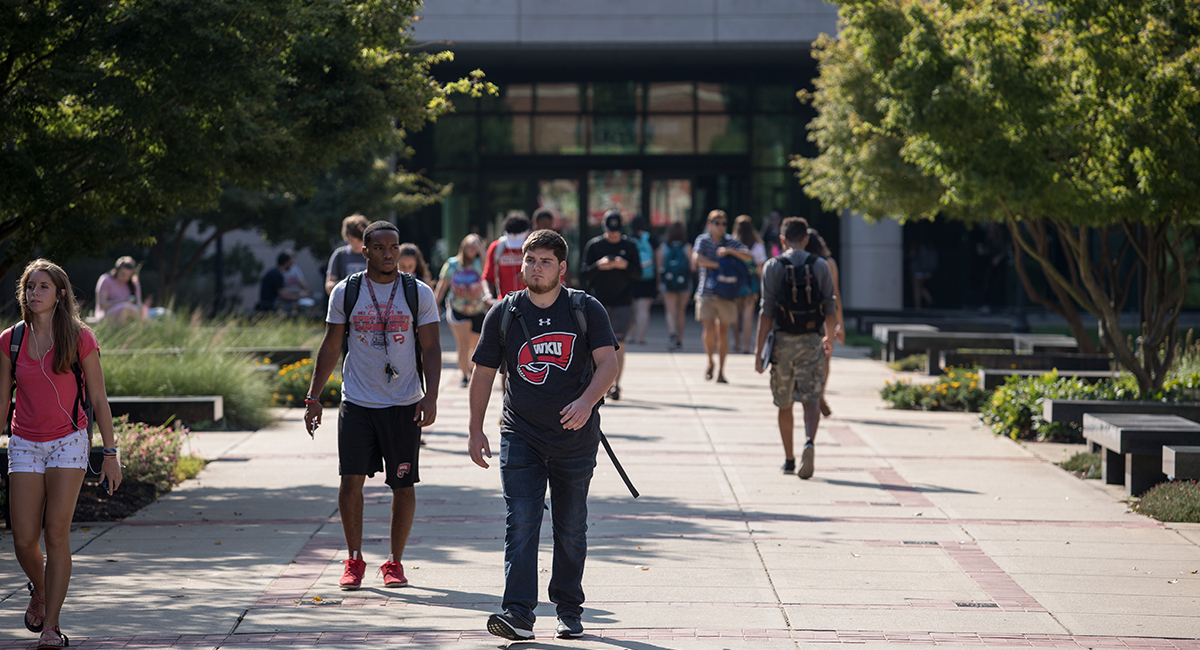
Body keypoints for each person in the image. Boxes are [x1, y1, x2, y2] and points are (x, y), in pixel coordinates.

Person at [467, 229, 619, 641]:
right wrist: (475, 429)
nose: (536, 268)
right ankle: (518, 613)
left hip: (575, 439)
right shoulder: (505, 311)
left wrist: (587, 402)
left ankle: (568, 608)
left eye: (546, 261)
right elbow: (483, 373)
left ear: (562, 268)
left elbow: (608, 363)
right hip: (521, 435)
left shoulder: (585, 308)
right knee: (521, 523)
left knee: (570, 527)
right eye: (531, 260)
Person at [303, 220, 442, 591]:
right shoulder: (347, 291)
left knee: (403, 483)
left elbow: (431, 347)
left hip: (404, 402)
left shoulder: (418, 292)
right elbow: (331, 345)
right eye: (379, 248)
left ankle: (394, 561)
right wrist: (314, 397)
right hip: (358, 401)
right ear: (364, 251)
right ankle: (354, 559)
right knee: (351, 481)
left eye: (393, 247)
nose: (388, 254)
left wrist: (431, 395)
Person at [1, 259, 123, 649]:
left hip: (68, 441)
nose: (34, 293)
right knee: (23, 539)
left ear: (60, 294)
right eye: (29, 286)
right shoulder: (10, 340)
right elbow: (2, 401)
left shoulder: (79, 337)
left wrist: (110, 453)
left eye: (43, 287)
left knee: (55, 532)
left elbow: (99, 399)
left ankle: (51, 626)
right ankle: (41, 589)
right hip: (24, 442)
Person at [754, 217, 838, 480]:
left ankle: (789, 460)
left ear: (782, 240)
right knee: (811, 398)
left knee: (784, 402)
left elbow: (766, 312)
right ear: (806, 239)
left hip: (782, 342)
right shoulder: (820, 265)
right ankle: (809, 442)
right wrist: (829, 340)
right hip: (811, 340)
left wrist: (758, 352)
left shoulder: (773, 266)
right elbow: (830, 308)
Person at [580, 210, 640, 400]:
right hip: (598, 303)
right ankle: (601, 385)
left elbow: (639, 273)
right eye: (610, 230)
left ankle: (615, 385)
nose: (613, 233)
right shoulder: (595, 245)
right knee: (596, 347)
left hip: (623, 303)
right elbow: (583, 273)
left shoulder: (629, 245)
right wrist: (599, 266)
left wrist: (625, 265)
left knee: (619, 345)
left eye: (616, 230)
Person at [693, 209, 752, 383]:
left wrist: (730, 251)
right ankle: (710, 361)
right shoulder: (703, 240)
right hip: (706, 292)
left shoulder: (730, 241)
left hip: (727, 293)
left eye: (724, 224)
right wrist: (718, 265)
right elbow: (697, 258)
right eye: (717, 223)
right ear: (709, 224)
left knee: (723, 332)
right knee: (709, 329)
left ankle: (721, 370)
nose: (720, 227)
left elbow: (748, 256)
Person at [435, 234, 493, 388]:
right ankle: (464, 375)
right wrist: (434, 304)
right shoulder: (452, 264)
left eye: (475, 246)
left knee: (476, 346)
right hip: (457, 308)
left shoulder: (480, 263)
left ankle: (472, 370)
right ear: (463, 246)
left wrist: (480, 247)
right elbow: (442, 285)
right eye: (469, 245)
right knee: (463, 344)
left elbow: (489, 264)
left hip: (478, 309)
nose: (471, 249)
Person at [804, 228, 846, 417]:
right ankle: (820, 392)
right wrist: (840, 324)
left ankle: (812, 393)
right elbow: (835, 294)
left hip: (806, 316)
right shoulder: (829, 262)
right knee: (826, 357)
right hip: (825, 315)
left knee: (806, 357)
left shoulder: (802, 262)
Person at [732, 215, 767, 354]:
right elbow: (760, 269)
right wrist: (760, 286)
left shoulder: (733, 243)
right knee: (748, 314)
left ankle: (737, 343)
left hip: (735, 283)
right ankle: (746, 346)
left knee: (736, 313)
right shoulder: (758, 246)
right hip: (751, 284)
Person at [657, 221, 692, 350]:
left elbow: (659, 267)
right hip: (685, 283)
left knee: (670, 311)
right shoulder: (687, 247)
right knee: (681, 312)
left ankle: (672, 333)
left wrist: (659, 283)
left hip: (668, 283)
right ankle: (679, 340)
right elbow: (693, 267)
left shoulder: (663, 247)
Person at [483, 214, 531, 299]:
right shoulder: (496, 248)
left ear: (527, 233)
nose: (516, 248)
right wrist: (488, 294)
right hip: (504, 302)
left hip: (530, 302)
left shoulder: (535, 247)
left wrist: (530, 277)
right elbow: (488, 277)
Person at [628, 216, 658, 345]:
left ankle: (631, 336)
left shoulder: (629, 239)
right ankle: (641, 337)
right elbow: (657, 259)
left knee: (632, 310)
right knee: (644, 309)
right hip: (648, 278)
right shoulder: (651, 239)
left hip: (632, 278)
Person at [326, 214, 371, 295]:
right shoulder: (340, 255)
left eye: (359, 240)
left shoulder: (372, 255)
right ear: (346, 237)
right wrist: (345, 284)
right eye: (352, 240)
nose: (356, 244)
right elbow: (329, 286)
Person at [94, 256, 143, 324]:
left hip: (130, 315)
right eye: (123, 274)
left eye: (129, 275)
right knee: (124, 308)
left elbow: (139, 304)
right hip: (105, 315)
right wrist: (122, 301)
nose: (126, 277)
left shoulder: (134, 283)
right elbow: (103, 305)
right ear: (117, 270)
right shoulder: (106, 280)